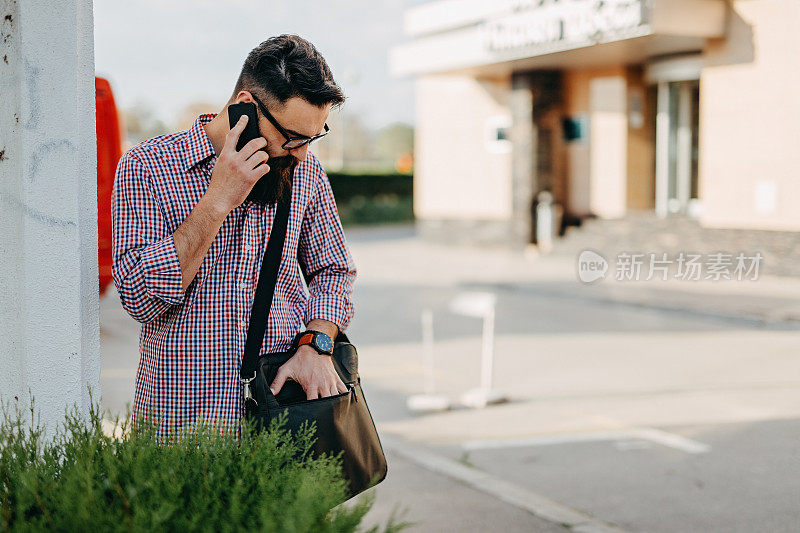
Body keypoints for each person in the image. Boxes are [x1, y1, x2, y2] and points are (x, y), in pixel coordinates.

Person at [111, 35, 356, 438]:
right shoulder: (148, 166)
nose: (300, 153)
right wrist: (217, 201)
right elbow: (140, 299)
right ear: (245, 104)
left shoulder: (305, 172)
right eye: (292, 137)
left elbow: (334, 271)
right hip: (180, 425)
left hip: (282, 415)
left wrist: (316, 344)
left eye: (313, 138)